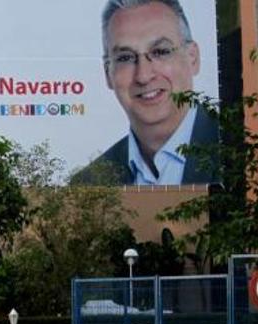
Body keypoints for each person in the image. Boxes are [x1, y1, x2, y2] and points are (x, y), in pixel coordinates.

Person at [71, 0, 219, 186]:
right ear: (108, 73)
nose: (143, 76)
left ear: (193, 58)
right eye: (125, 58)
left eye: (160, 52)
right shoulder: (88, 184)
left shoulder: (242, 150)